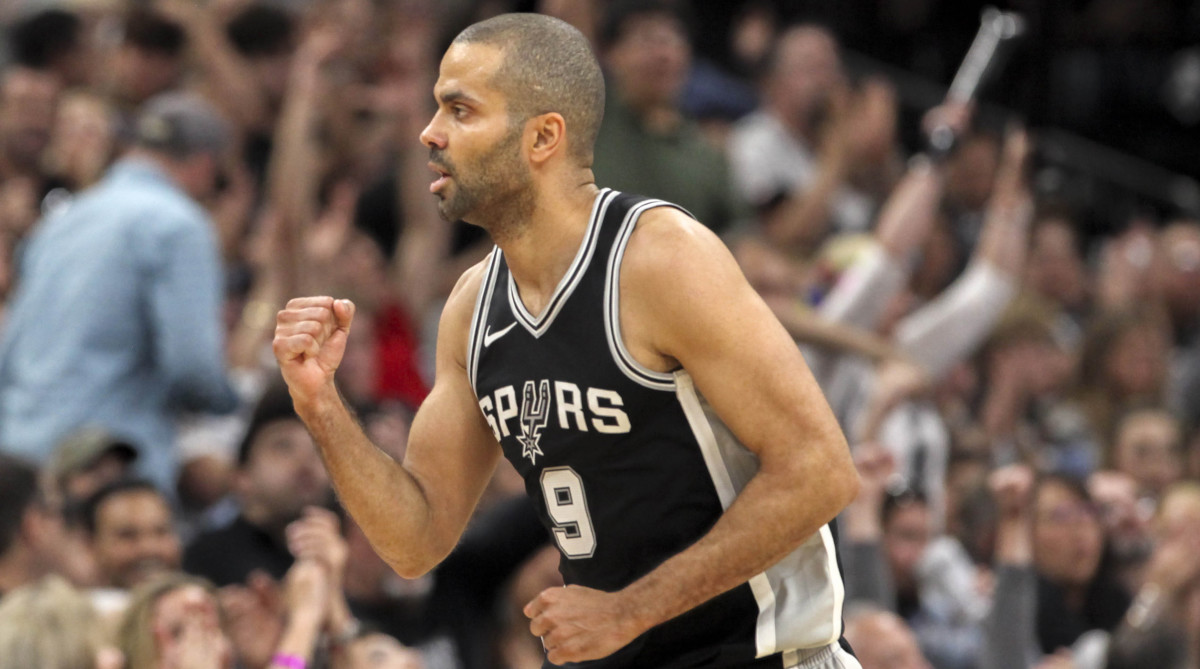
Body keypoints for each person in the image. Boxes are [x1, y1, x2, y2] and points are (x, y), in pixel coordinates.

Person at [273, 13, 860, 669]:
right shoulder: (472, 308)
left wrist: (630, 609)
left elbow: (820, 471)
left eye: (460, 110)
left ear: (543, 136)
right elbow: (416, 540)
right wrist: (320, 404)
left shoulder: (658, 258)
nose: (429, 132)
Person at [0, 91, 239, 491]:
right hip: (103, 468)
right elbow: (192, 367)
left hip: (19, 453)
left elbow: (11, 350)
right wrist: (232, 406)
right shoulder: (179, 225)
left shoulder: (65, 218)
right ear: (204, 164)